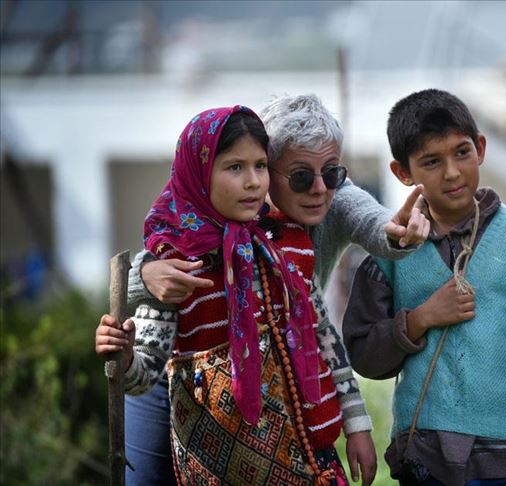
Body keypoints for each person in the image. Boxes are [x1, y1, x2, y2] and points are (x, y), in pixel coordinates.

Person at [123, 95, 431, 486]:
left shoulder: (298, 232)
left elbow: (374, 228)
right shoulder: (183, 240)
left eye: (332, 173)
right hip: (179, 381)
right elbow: (143, 338)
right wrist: (144, 276)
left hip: (274, 393)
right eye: (301, 176)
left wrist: (400, 237)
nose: (320, 189)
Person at [96, 105, 353, 484]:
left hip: (302, 461)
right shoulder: (173, 263)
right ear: (199, 174)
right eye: (235, 167)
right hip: (217, 466)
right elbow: (143, 376)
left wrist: (357, 423)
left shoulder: (282, 244)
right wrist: (123, 355)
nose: (252, 182)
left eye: (260, 166)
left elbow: (322, 333)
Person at [342, 89, 506, 485]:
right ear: (402, 173)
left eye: (462, 153)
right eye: (431, 162)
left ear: (480, 148)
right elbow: (363, 353)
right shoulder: (391, 252)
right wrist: (420, 319)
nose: (453, 172)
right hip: (428, 455)